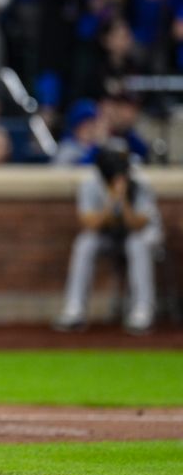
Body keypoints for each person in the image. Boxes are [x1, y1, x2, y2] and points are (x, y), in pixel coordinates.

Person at [54, 139, 164, 335]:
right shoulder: (91, 184)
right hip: (108, 233)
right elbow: (90, 224)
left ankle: (143, 309)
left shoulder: (140, 182)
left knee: (136, 244)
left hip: (142, 234)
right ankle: (74, 309)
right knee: (85, 243)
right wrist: (112, 201)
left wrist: (123, 200)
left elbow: (138, 224)